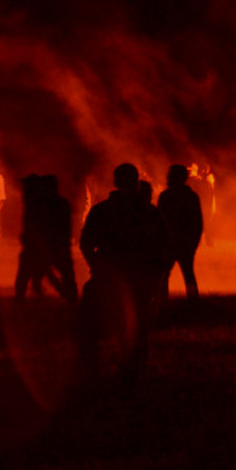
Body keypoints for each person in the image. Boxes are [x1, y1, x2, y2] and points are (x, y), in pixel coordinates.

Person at [79, 163, 167, 383]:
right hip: (136, 278)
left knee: (90, 326)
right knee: (135, 327)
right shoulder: (149, 213)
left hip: (108, 277)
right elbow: (163, 245)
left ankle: (94, 370)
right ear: (137, 183)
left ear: (115, 183)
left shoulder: (102, 211)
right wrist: (154, 274)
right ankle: (130, 372)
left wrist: (96, 265)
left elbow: (86, 243)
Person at [14, 175, 78, 304]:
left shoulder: (37, 205)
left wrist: (35, 244)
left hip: (41, 248)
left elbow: (32, 227)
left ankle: (20, 299)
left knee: (25, 275)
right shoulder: (62, 204)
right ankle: (72, 300)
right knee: (66, 276)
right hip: (58, 247)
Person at [157, 165, 203, 304]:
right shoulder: (191, 196)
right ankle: (193, 302)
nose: (167, 177)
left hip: (170, 242)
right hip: (184, 243)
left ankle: (161, 302)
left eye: (169, 175)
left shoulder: (166, 196)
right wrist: (194, 242)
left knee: (164, 274)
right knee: (188, 274)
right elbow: (197, 222)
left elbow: (160, 220)